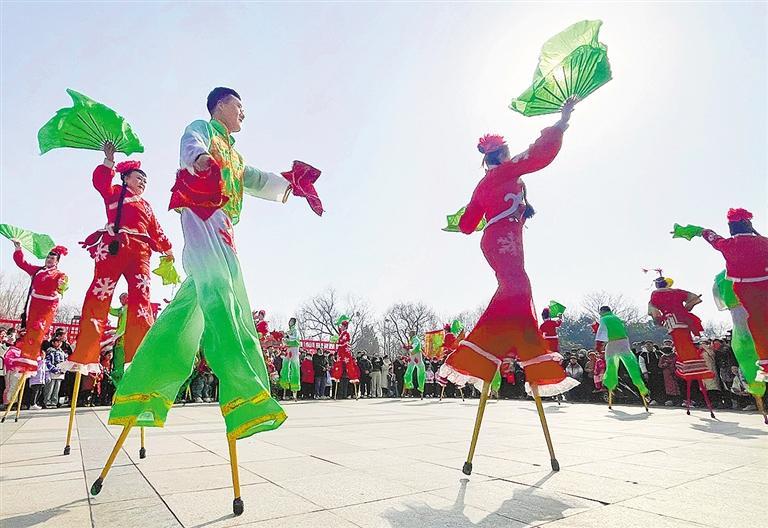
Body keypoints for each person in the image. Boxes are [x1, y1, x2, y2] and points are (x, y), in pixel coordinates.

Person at [99, 87, 297, 516]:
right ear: (220, 105)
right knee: (221, 291)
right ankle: (244, 388)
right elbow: (190, 145)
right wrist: (201, 159)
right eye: (239, 105)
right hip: (200, 211)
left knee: (204, 300)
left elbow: (255, 179)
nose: (243, 112)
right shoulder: (202, 129)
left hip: (224, 224)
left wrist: (290, 185)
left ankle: (145, 383)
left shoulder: (236, 155)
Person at [440, 97, 579, 400]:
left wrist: (482, 209)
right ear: (502, 154)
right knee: (517, 286)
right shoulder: (506, 172)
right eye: (508, 151)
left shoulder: (483, 185)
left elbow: (466, 225)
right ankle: (476, 353)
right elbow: (538, 155)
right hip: (502, 238)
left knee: (520, 292)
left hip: (500, 239)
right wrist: (562, 121)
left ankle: (528, 355)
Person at [64, 144, 173, 376]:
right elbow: (100, 182)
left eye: (145, 180)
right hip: (115, 246)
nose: (142, 182)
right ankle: (85, 353)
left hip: (141, 252)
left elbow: (157, 231)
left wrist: (168, 249)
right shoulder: (114, 192)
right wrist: (109, 160)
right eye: (138, 178)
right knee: (100, 295)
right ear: (125, 179)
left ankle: (139, 356)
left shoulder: (147, 206)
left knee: (141, 301)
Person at [690, 208, 768, 380]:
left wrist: (700, 231)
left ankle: (764, 366)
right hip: (765, 286)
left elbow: (712, 237)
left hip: (745, 291)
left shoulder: (728, 244)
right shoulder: (764, 242)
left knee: (757, 325)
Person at [648, 276, 716, 416]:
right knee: (688, 347)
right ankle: (694, 368)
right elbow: (695, 298)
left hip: (673, 322)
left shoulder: (655, 294)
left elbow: (654, 314)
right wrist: (684, 308)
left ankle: (690, 369)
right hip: (685, 320)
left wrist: (660, 320)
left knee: (684, 351)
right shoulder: (678, 291)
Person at [10, 241, 68, 377]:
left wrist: (62, 285)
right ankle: (25, 359)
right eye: (48, 257)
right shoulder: (38, 270)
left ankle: (30, 360)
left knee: (38, 330)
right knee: (29, 332)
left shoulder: (60, 274)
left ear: (57, 261)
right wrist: (18, 248)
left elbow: (63, 288)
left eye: (52, 258)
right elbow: (22, 263)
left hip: (47, 307)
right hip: (34, 304)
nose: (49, 260)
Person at [595, 306, 649, 409]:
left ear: (602, 312)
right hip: (624, 342)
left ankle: (610, 386)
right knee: (632, 366)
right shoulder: (616, 318)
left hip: (612, 343)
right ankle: (642, 388)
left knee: (611, 367)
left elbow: (601, 333)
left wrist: (598, 345)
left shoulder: (604, 319)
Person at [108, 293, 129, 385]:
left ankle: (118, 384)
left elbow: (123, 327)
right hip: (120, 342)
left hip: (123, 342)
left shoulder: (128, 309)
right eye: (120, 299)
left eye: (123, 298)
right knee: (117, 363)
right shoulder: (122, 309)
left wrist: (114, 337)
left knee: (119, 364)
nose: (121, 300)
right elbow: (113, 311)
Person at [279, 318, 301, 401]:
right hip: (288, 349)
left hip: (294, 349)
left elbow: (295, 338)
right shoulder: (288, 331)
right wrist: (284, 338)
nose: (290, 322)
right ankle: (284, 390)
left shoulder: (295, 331)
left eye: (292, 321)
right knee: (285, 367)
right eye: (290, 321)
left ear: (294, 323)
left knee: (294, 368)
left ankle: (295, 393)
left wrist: (287, 337)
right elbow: (285, 341)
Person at [44, 336, 68, 408]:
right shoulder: (50, 351)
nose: (59, 343)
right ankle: (47, 402)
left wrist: (63, 369)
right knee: (49, 388)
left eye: (60, 342)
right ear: (53, 343)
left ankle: (54, 402)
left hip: (60, 373)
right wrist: (54, 369)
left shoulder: (62, 352)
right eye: (57, 342)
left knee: (56, 389)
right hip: (52, 373)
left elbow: (65, 361)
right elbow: (47, 362)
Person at [402, 331, 426, 397]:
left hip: (417, 356)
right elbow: (410, 349)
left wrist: (409, 347)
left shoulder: (416, 339)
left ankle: (421, 387)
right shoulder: (412, 340)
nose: (409, 335)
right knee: (408, 372)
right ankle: (409, 384)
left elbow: (414, 345)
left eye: (410, 334)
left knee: (420, 372)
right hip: (412, 357)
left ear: (412, 334)